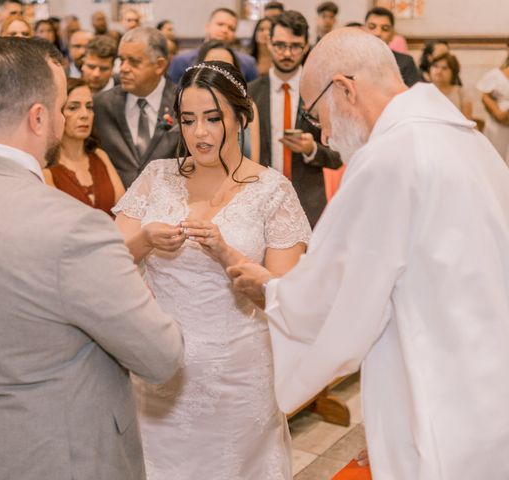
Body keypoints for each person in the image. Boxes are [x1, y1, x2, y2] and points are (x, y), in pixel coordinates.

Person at [0, 37, 183, 480]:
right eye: (64, 107)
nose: (68, 118)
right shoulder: (73, 228)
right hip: (51, 457)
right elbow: (160, 358)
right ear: (39, 116)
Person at [228, 28, 509, 480]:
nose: (324, 133)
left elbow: (335, 299)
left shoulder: (388, 160)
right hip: (491, 392)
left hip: (438, 400)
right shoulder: (469, 142)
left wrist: (272, 291)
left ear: (344, 89)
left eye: (316, 115)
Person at [113, 60, 311, 479]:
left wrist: (226, 254)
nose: (198, 133)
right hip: (161, 371)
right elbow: (108, 265)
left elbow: (285, 299)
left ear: (241, 117)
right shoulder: (156, 177)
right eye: (188, 120)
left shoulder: (273, 191)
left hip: (238, 375)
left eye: (212, 118)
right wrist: (146, 240)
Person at [249, 10, 342, 227]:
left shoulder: (321, 92)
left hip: (308, 202)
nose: (287, 53)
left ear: (306, 46)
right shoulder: (250, 93)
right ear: (269, 43)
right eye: (281, 45)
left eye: (295, 46)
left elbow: (338, 156)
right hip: (261, 201)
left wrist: (312, 149)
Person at [92, 27, 180, 188]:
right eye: (121, 60)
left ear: (159, 65)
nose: (123, 68)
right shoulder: (101, 105)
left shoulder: (182, 104)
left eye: (134, 62)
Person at [44, 78, 124, 215]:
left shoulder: (100, 155)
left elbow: (124, 208)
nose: (84, 115)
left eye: (89, 107)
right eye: (73, 107)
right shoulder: (46, 167)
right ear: (56, 113)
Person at [195, 40, 260, 163]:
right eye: (213, 65)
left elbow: (254, 158)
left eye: (225, 65)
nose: (218, 71)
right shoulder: (191, 105)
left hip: (243, 178)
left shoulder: (247, 105)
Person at [168, 8, 258, 84]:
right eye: (220, 24)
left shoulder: (248, 63)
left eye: (231, 28)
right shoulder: (181, 61)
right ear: (207, 27)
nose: (225, 30)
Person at [364, 7, 420, 87]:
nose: (378, 33)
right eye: (372, 27)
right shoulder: (353, 60)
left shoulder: (405, 62)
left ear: (392, 34)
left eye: (385, 29)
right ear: (363, 30)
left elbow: (412, 94)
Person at [477, 50, 509, 165]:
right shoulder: (495, 75)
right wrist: (497, 112)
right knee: (495, 159)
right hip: (497, 125)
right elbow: (485, 96)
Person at [429, 53, 472, 120]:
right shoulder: (423, 91)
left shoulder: (460, 92)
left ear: (453, 72)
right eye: (435, 66)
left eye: (444, 68)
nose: (439, 71)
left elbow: (467, 120)